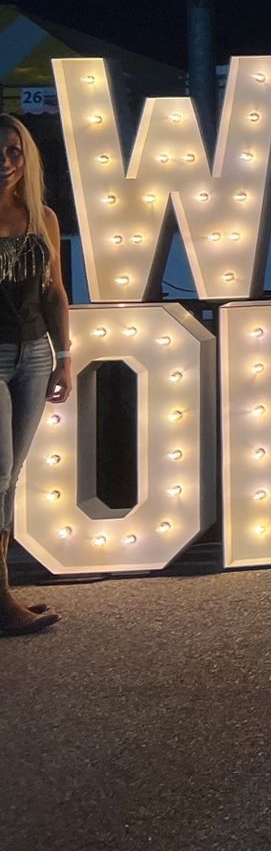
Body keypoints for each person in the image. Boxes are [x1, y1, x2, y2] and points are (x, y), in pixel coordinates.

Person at [0, 113, 70, 635]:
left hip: (34, 357)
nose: (5, 163)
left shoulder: (42, 216)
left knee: (11, 479)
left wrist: (63, 356)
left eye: (13, 152)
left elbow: (54, 292)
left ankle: (1, 596)